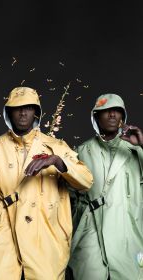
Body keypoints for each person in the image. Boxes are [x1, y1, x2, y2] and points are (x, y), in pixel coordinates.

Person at [0, 86, 93, 280]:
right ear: (8, 112)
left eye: (28, 107)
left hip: (45, 232)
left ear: (36, 112)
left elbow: (86, 181)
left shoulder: (55, 146)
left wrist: (56, 160)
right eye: (17, 107)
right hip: (3, 230)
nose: (23, 112)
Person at [69, 93, 143, 280]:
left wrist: (142, 145)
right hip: (90, 226)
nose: (112, 115)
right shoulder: (82, 151)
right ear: (96, 117)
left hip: (127, 227)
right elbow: (70, 193)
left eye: (117, 111)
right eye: (106, 111)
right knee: (88, 273)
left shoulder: (135, 150)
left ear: (122, 118)